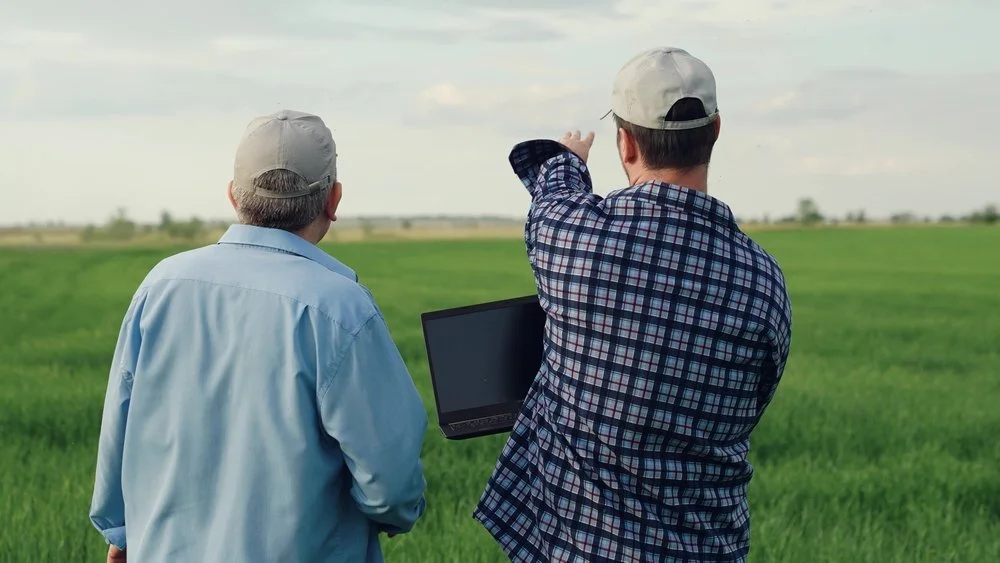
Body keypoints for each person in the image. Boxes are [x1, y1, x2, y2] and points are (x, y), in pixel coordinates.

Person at [473, 47, 793, 562]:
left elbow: (550, 194)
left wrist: (567, 160)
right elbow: (754, 402)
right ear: (715, 132)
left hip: (581, 548)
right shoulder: (765, 281)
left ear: (624, 142)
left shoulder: (575, 239)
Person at [89, 110, 429, 563]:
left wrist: (124, 532)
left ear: (234, 196)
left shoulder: (161, 285)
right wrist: (394, 514)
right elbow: (390, 484)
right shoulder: (340, 309)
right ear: (333, 200)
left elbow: (121, 428)